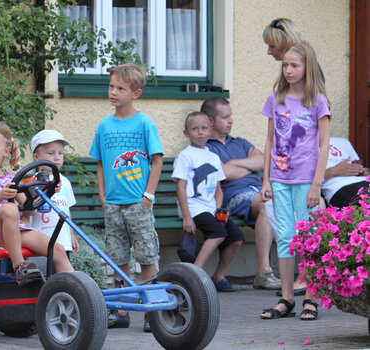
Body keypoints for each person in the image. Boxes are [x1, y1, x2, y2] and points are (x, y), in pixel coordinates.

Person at [89, 62, 163, 332]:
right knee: (117, 256)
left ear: (136, 93)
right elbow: (98, 162)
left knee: (146, 255)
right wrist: (102, 193)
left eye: (120, 88)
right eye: (111, 86)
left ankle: (151, 309)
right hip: (113, 204)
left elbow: (156, 160)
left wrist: (148, 196)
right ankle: (120, 310)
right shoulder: (105, 126)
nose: (113, 92)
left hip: (138, 203)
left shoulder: (144, 123)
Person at [260, 41, 330, 321]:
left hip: (306, 180)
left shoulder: (317, 100)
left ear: (307, 67)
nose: (288, 70)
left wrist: (317, 184)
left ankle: (311, 297)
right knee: (286, 238)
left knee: (309, 238)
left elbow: (324, 145)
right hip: (279, 178)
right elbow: (269, 140)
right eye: (285, 65)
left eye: (294, 65)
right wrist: (266, 180)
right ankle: (287, 298)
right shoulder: (276, 96)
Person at [0, 121, 74, 286]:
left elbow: (29, 210)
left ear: (6, 151)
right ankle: (19, 266)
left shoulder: (10, 179)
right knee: (9, 208)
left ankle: (77, 292)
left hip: (14, 231)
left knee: (56, 249)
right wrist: (1, 195)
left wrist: (50, 191)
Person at [202, 97, 281, 291]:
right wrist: (249, 164)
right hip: (232, 196)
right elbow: (224, 174)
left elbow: (266, 161)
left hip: (259, 190)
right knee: (266, 204)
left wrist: (235, 164)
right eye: (225, 117)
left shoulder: (240, 142)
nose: (231, 120)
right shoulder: (206, 147)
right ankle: (263, 272)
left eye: (231, 116)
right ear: (211, 121)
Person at [173, 112, 244, 293]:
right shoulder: (185, 156)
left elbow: (218, 187)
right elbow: (181, 187)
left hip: (211, 208)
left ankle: (219, 276)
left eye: (204, 128)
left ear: (210, 130)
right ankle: (195, 274)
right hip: (193, 208)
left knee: (236, 237)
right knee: (218, 233)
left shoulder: (212, 156)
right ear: (186, 133)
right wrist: (187, 216)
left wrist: (219, 208)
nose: (200, 133)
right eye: (195, 129)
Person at [27, 130, 80, 256]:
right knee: (44, 273)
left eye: (60, 153)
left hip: (63, 239)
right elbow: (27, 211)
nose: (57, 157)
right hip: (41, 240)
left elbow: (66, 210)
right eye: (51, 153)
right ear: (36, 157)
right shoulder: (32, 182)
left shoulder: (65, 182)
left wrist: (71, 234)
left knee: (62, 274)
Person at [322, 137, 369, 207]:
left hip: (364, 182)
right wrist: (332, 171)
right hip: (340, 188)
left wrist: (361, 171)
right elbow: (304, 182)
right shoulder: (303, 146)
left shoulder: (342, 141)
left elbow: (359, 168)